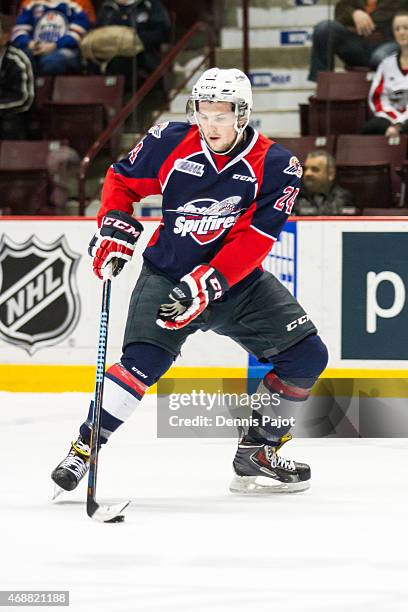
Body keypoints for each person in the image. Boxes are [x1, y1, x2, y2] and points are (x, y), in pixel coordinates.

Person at [51, 68, 328, 495]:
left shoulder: (276, 165)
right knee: (143, 364)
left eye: (222, 113)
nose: (211, 123)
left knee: (306, 356)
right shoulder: (169, 141)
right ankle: (85, 447)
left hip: (237, 284)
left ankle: (259, 451)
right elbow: (122, 180)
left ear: (243, 114)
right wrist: (114, 224)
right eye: (203, 111)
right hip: (167, 276)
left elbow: (255, 237)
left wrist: (210, 282)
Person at [308, 0, 402, 82]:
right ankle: (322, 86)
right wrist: (354, 13)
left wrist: (365, 18)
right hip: (357, 44)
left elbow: (382, 19)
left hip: (388, 43)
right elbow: (340, 10)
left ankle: (392, 93)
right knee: (324, 29)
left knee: (379, 57)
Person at [89, 0, 171, 88]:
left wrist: (136, 40)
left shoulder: (149, 4)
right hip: (108, 59)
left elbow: (163, 31)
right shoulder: (107, 7)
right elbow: (96, 34)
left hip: (142, 57)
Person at [10, 0, 93, 75]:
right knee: (19, 61)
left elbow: (78, 32)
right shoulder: (31, 4)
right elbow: (18, 31)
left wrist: (55, 45)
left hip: (65, 49)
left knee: (52, 62)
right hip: (35, 49)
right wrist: (30, 44)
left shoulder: (75, 4)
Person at [362, 11, 408, 134]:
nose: (401, 32)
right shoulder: (386, 64)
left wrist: (401, 125)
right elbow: (377, 98)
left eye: (406, 28)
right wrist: (393, 121)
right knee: (368, 128)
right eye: (397, 29)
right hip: (389, 118)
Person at [0, 19, 35, 139]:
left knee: (10, 123)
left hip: (12, 116)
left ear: (4, 38)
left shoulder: (18, 60)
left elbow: (25, 100)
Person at [295, 150, 355, 215]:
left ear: (330, 174)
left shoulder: (343, 198)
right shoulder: (293, 198)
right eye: (306, 169)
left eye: (315, 169)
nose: (307, 173)